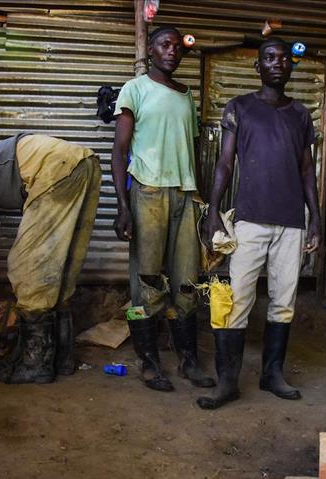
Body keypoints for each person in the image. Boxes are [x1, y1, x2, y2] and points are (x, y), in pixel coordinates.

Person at [197, 38, 321, 410]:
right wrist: (214, 211)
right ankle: (227, 382)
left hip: (290, 222)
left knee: (283, 302)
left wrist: (315, 219)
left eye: (283, 58)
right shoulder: (240, 108)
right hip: (250, 220)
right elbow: (224, 164)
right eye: (269, 58)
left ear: (290, 67)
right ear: (259, 67)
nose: (277, 63)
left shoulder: (300, 114)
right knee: (237, 301)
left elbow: (306, 171)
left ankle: (272, 375)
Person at [0, 134, 101, 384]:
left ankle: (36, 363)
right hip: (86, 164)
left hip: (58, 168)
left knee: (25, 266)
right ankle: (62, 359)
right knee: (61, 265)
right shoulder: (0, 167)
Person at [111, 26, 214, 392]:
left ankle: (188, 360)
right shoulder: (134, 89)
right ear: (150, 51)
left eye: (176, 46)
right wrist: (123, 206)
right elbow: (119, 150)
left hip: (185, 196)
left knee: (187, 281)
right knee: (147, 280)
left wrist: (204, 202)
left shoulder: (186, 97)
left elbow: (194, 152)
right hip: (149, 193)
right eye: (164, 45)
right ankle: (149, 361)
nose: (172, 51)